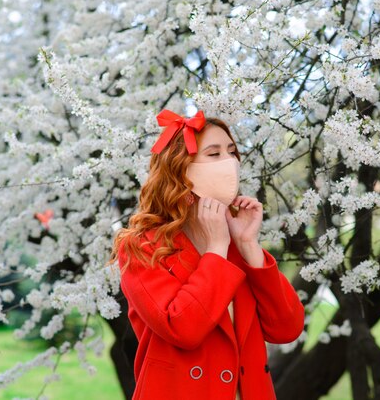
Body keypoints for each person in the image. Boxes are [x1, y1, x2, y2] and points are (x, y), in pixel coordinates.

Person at [112, 109, 305, 400]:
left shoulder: (236, 241)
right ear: (181, 169)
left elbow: (287, 328)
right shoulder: (143, 247)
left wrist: (249, 245)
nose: (229, 162)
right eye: (213, 154)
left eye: (232, 152)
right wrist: (215, 251)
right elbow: (183, 329)